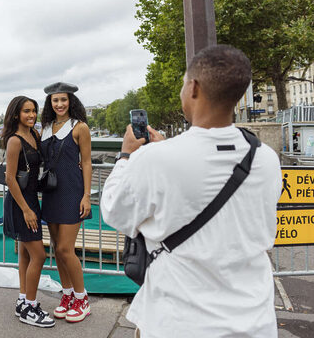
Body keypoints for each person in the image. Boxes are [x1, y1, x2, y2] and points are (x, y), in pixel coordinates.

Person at [101, 45, 281, 337]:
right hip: (254, 321)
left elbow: (114, 211)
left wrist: (125, 157)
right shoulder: (265, 158)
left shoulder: (156, 160)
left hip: (180, 321)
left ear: (194, 87)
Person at [40, 82, 92, 323]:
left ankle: (82, 299)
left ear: (71, 101)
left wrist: (86, 195)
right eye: (55, 100)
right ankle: (67, 294)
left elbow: (88, 162)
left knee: (65, 248)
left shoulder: (80, 127)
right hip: (51, 192)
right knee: (56, 249)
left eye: (63, 99)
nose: (59, 104)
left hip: (72, 191)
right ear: (50, 103)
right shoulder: (46, 127)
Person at [1, 96, 54, 328]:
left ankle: (23, 300)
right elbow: (10, 178)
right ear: (16, 115)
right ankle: (30, 308)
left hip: (31, 199)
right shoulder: (14, 141)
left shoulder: (34, 135)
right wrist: (26, 210)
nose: (32, 115)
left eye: (34, 111)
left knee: (25, 253)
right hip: (20, 203)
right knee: (39, 255)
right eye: (26, 112)